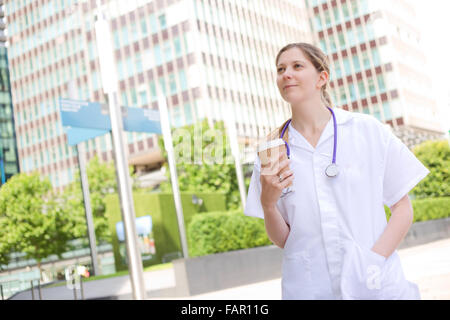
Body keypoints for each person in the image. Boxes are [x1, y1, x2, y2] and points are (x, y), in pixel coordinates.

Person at [244, 42, 430, 300]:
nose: (286, 74)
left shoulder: (366, 131)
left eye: (297, 66)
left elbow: (402, 208)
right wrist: (267, 204)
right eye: (280, 69)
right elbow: (286, 239)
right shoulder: (271, 152)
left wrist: (374, 262)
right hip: (309, 289)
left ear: (322, 78)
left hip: (376, 284)